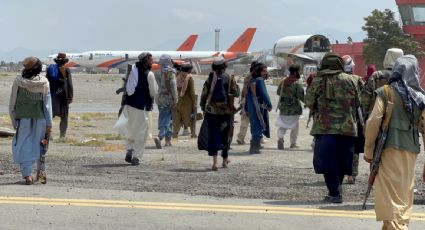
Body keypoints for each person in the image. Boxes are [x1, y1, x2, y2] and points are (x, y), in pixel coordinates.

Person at [364, 55, 425, 230]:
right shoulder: (420, 97)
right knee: (403, 195)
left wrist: (368, 151)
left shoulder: (386, 92)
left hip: (387, 151)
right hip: (411, 152)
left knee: (390, 198)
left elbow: (373, 122)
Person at [305, 53, 361, 203]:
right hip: (348, 128)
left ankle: (335, 192)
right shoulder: (351, 79)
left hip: (325, 129)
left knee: (328, 161)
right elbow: (360, 101)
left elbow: (309, 101)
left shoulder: (318, 80)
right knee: (342, 160)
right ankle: (336, 190)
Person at [9, 57, 52, 184]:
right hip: (41, 119)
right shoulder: (44, 82)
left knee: (24, 145)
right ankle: (41, 172)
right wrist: (49, 124)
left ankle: (27, 175)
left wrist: (14, 119)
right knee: (41, 145)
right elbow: (47, 105)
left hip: (23, 120)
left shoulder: (18, 81)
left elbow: (13, 102)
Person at [200, 58, 239, 171]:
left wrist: (203, 108)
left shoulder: (210, 78)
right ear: (224, 65)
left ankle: (214, 163)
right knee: (226, 136)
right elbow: (236, 93)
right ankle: (225, 161)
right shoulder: (229, 77)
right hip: (225, 112)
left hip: (211, 112)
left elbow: (204, 95)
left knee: (213, 136)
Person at [124, 52, 158, 166]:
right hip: (142, 108)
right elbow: (153, 92)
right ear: (145, 61)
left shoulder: (133, 71)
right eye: (150, 59)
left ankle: (129, 149)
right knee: (141, 133)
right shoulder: (150, 75)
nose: (152, 61)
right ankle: (136, 157)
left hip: (130, 106)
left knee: (130, 129)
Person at [362, 48, 404, 120]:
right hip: (399, 120)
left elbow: (365, 99)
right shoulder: (405, 77)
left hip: (377, 117)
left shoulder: (377, 75)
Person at [342, 55, 365, 184]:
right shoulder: (358, 80)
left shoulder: (334, 80)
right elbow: (363, 100)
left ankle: (340, 173)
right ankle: (351, 175)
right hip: (354, 119)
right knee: (354, 148)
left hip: (337, 120)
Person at [276, 64, 304, 150]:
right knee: (294, 126)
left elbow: (278, 92)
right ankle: (293, 143)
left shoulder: (283, 81)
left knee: (283, 125)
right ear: (295, 72)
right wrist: (308, 102)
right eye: (299, 71)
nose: (300, 72)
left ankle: (280, 138)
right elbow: (301, 96)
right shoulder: (297, 83)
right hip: (294, 109)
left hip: (283, 108)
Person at [246, 62, 272, 154]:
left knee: (254, 126)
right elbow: (264, 94)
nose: (265, 73)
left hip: (251, 107)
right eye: (264, 71)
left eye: (266, 71)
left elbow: (247, 96)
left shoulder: (252, 80)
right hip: (258, 108)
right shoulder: (260, 80)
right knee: (258, 126)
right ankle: (254, 148)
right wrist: (269, 104)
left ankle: (256, 146)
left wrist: (246, 108)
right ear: (259, 71)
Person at [46, 52, 73, 138]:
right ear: (65, 61)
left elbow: (47, 82)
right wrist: (70, 96)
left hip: (52, 95)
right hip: (63, 96)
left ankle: (49, 135)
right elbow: (69, 84)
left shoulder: (50, 69)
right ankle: (62, 135)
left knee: (50, 115)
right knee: (64, 117)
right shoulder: (66, 70)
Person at [154, 54, 178, 148]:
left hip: (159, 98)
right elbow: (173, 87)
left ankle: (168, 141)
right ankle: (160, 137)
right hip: (168, 99)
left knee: (165, 117)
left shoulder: (157, 73)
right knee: (167, 119)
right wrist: (175, 99)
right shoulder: (171, 73)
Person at [236, 61, 257, 145]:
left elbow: (243, 90)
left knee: (245, 120)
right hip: (252, 100)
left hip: (245, 99)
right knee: (257, 120)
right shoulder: (255, 77)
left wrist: (242, 100)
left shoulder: (247, 77)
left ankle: (241, 137)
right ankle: (258, 138)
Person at [173, 62, 196, 138]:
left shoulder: (178, 77)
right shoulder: (189, 78)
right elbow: (192, 92)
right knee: (190, 118)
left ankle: (175, 134)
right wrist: (194, 102)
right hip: (187, 102)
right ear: (189, 70)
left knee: (177, 119)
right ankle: (193, 134)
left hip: (179, 102)